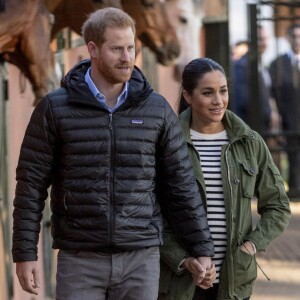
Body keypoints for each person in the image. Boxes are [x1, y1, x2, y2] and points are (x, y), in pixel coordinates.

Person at [11, 8, 214, 300]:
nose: (127, 57)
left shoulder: (156, 109)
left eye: (131, 47)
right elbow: (30, 185)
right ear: (92, 49)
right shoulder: (55, 108)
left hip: (140, 260)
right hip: (80, 259)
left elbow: (180, 183)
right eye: (116, 48)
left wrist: (201, 248)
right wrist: (24, 253)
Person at [158, 57, 291, 300]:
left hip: (234, 284)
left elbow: (278, 206)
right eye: (207, 93)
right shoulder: (168, 144)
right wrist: (183, 260)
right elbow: (152, 214)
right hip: (180, 284)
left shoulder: (249, 143)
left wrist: (250, 246)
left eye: (223, 91)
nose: (218, 101)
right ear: (188, 96)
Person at [269, 24, 300, 198]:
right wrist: (277, 118)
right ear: (288, 38)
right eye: (294, 36)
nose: (297, 40)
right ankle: (295, 192)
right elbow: (272, 94)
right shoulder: (278, 64)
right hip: (289, 120)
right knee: (293, 158)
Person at [231, 25, 280, 134]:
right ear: (251, 41)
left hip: (265, 128)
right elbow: (243, 101)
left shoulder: (262, 65)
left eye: (265, 39)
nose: (264, 43)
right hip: (252, 129)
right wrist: (268, 115)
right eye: (260, 39)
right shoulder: (242, 65)